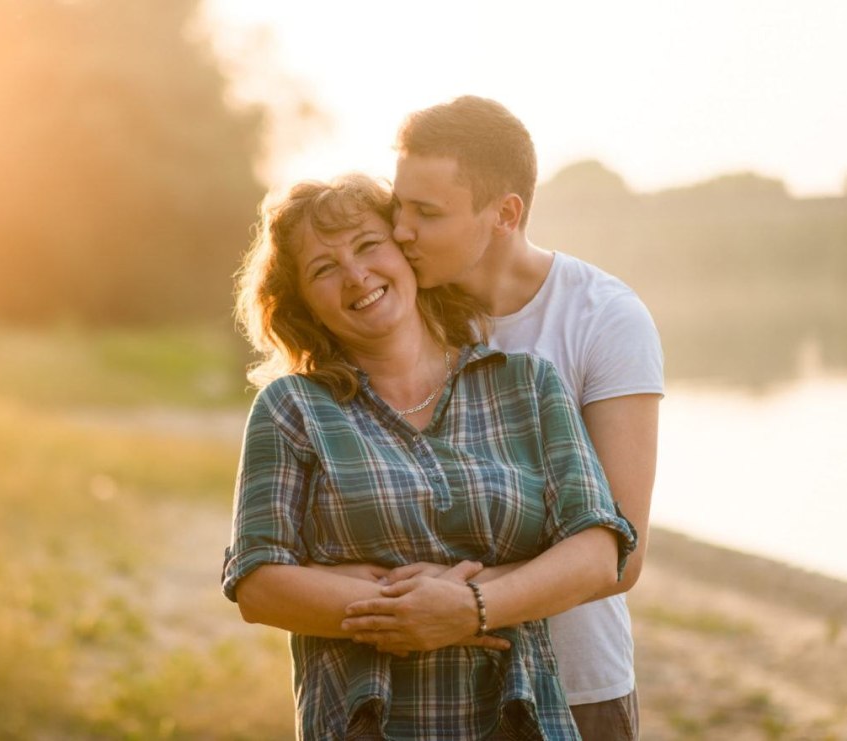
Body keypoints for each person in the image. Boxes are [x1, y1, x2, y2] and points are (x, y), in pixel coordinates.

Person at [222, 172, 637, 739]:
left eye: (368, 245)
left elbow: (597, 553)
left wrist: (470, 606)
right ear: (304, 306)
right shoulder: (291, 408)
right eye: (324, 268)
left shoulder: (526, 385)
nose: (356, 274)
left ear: (406, 254)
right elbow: (259, 583)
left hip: (520, 721)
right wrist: (413, 613)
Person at [342, 96, 664, 739]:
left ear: (505, 214)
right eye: (398, 206)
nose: (400, 231)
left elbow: (621, 556)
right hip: (415, 691)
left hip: (573, 688)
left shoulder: (604, 318)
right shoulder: (396, 311)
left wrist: (466, 603)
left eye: (426, 213)